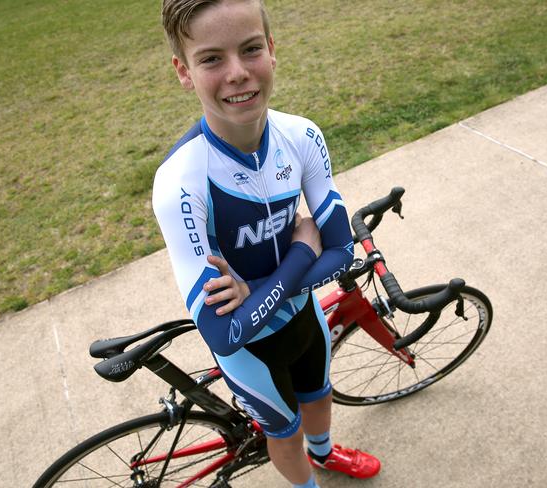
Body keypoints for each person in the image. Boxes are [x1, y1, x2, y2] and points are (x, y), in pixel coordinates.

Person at [153, 1, 381, 486]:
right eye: (212, 58)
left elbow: (343, 254)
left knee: (320, 395)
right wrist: (302, 250)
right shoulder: (180, 181)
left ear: (272, 50)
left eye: (251, 49)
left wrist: (255, 290)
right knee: (284, 433)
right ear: (184, 71)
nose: (237, 73)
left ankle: (324, 454)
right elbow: (225, 334)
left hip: (304, 318)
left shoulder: (301, 136)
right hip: (249, 354)